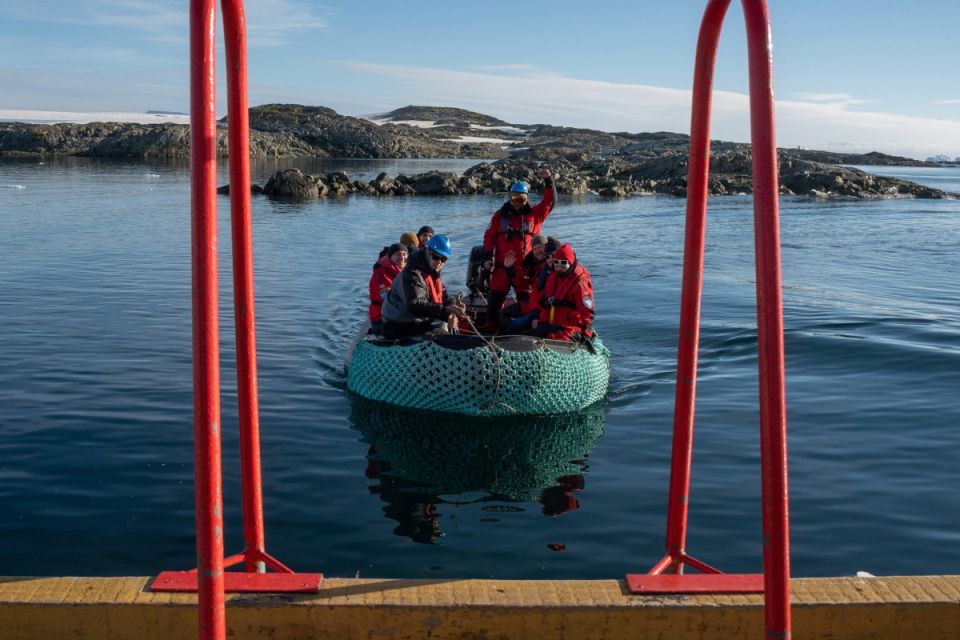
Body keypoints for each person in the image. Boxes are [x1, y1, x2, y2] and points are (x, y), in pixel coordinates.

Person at [481, 167, 555, 329]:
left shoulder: (535, 214)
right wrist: (487, 258)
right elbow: (489, 237)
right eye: (514, 198)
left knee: (527, 304)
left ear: (526, 199)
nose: (517, 202)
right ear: (510, 198)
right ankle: (491, 328)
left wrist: (548, 181)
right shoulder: (499, 216)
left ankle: (525, 330)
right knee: (494, 301)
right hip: (502, 267)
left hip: (526, 271)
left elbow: (549, 202)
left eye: (521, 199)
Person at [381, 234, 466, 339]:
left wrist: (453, 309)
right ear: (427, 252)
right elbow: (415, 305)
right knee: (440, 334)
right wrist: (445, 310)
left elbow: (443, 296)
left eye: (443, 259)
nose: (439, 262)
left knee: (443, 328)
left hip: (417, 321)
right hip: (398, 324)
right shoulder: (412, 273)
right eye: (436, 257)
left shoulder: (432, 271)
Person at [531, 243, 595, 342]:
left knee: (551, 339)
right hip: (553, 324)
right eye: (556, 262)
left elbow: (587, 313)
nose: (559, 265)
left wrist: (587, 333)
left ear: (570, 262)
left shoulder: (580, 283)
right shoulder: (553, 277)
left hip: (571, 328)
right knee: (531, 335)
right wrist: (541, 322)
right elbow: (546, 303)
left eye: (563, 262)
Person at [368, 243, 408, 334]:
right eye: (398, 254)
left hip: (395, 315)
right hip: (382, 319)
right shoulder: (381, 275)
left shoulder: (403, 271)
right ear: (390, 257)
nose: (402, 257)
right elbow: (386, 297)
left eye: (404, 254)